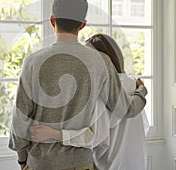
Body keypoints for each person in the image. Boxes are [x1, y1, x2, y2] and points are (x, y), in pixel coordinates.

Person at [8, 0, 135, 170]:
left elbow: (20, 120)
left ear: (53, 21)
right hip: (81, 164)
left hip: (40, 164)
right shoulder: (101, 62)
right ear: (82, 25)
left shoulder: (33, 62)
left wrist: (22, 159)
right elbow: (124, 108)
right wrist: (141, 93)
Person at [30, 34, 149, 170]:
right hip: (137, 161)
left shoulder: (101, 90)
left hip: (110, 164)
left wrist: (55, 134)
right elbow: (142, 126)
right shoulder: (134, 83)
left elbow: (94, 137)